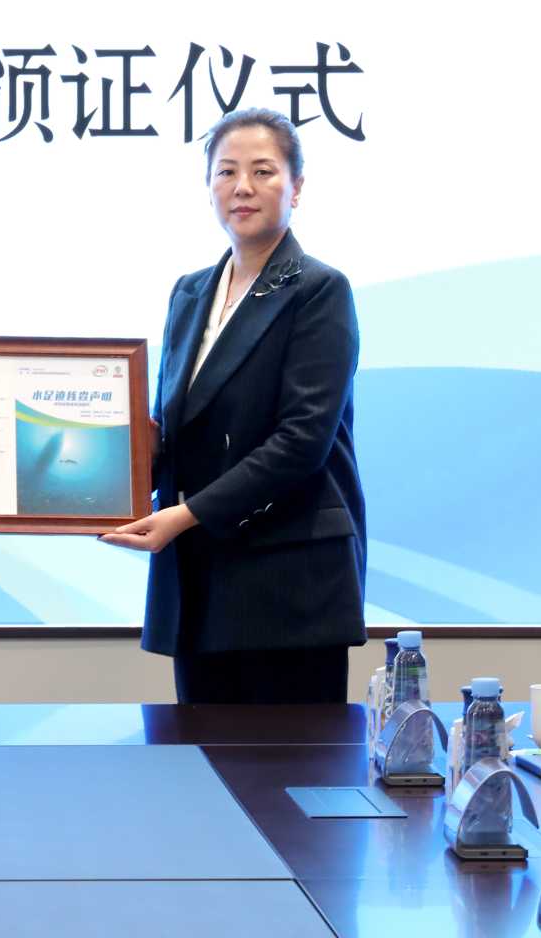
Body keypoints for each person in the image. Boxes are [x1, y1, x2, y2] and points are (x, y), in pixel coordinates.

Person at [101, 108, 367, 705]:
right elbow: (180, 426)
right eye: (226, 172)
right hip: (201, 578)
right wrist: (132, 455)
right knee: (200, 755)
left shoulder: (318, 288)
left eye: (263, 171)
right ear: (209, 186)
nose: (242, 187)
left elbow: (303, 441)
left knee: (292, 760)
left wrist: (185, 515)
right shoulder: (190, 290)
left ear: (296, 186)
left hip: (288, 581)